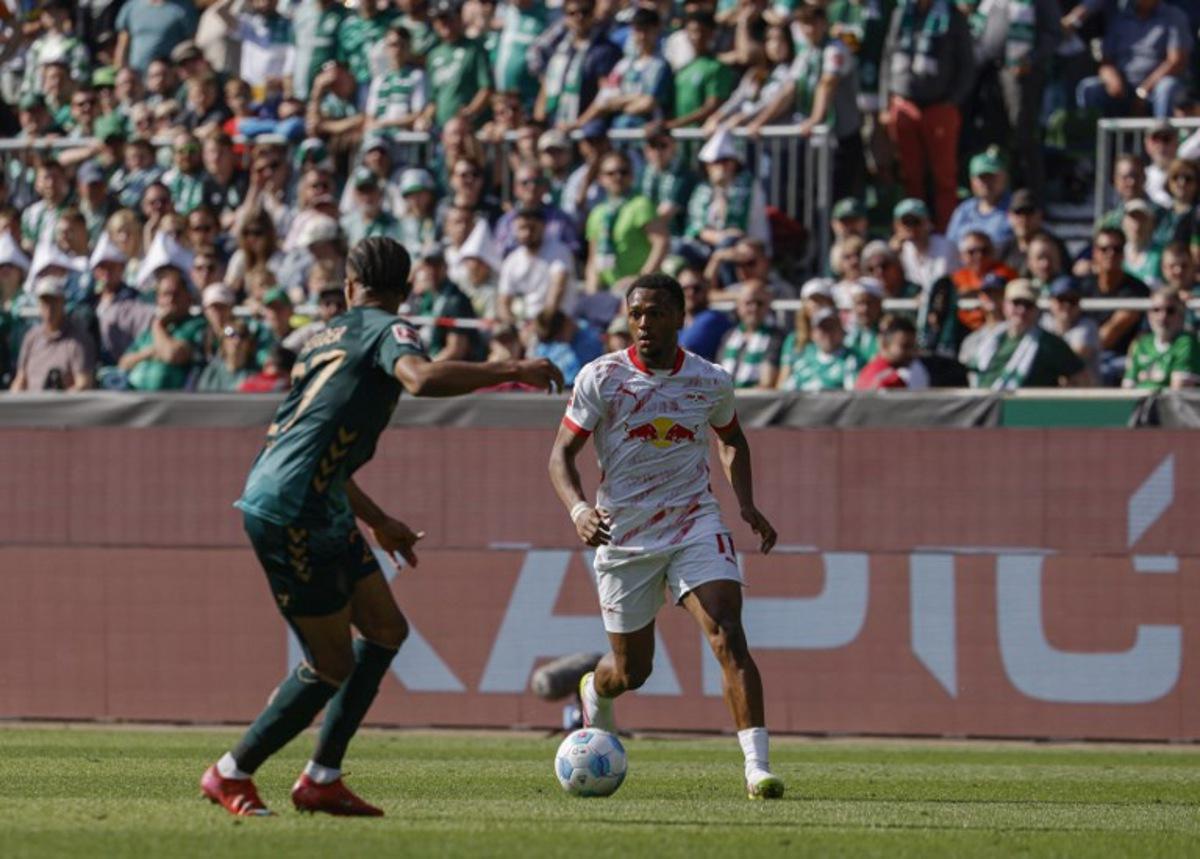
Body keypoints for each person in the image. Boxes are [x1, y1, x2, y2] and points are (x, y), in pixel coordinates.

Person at [201, 237, 562, 817]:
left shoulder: (321, 339)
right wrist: (512, 368)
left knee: (386, 629)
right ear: (407, 292)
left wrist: (381, 521)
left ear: (349, 286)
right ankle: (231, 772)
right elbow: (418, 379)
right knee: (332, 664)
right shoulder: (388, 331)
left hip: (319, 502)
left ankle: (321, 777)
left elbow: (321, 454)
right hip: (293, 512)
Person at [547, 272, 784, 801]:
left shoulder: (710, 380)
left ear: (680, 317)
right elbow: (561, 455)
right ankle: (595, 688)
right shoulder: (601, 377)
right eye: (635, 314)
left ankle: (756, 769)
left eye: (655, 313)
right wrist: (579, 509)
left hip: (694, 522)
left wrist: (744, 503)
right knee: (632, 672)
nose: (644, 324)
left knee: (726, 631)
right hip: (624, 534)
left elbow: (732, 441)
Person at [879, 0, 976, 230]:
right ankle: (913, 230)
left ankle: (947, 231)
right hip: (904, 103)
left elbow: (967, 64)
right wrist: (887, 101)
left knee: (944, 177)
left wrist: (952, 101)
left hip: (939, 106)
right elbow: (888, 55)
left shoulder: (952, 15)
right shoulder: (901, 12)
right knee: (909, 174)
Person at [1074, 0, 1191, 119]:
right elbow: (1106, 61)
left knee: (1167, 87)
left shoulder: (1174, 16)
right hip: (1123, 89)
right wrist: (1111, 77)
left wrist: (1143, 90)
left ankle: (1161, 134)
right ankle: (1091, 136)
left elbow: (1176, 61)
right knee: (1089, 88)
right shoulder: (1119, 18)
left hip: (1155, 89)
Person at [970, 278, 1088, 388]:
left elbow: (1082, 379)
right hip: (984, 405)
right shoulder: (989, 339)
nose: (1022, 310)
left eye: (1028, 305)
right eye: (1016, 303)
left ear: (1036, 309)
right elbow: (973, 373)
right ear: (1005, 305)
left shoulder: (1049, 343)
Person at [10, 275, 97, 392]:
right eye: (45, 302)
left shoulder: (79, 340)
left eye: (54, 301)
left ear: (63, 302)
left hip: (63, 407)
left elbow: (83, 383)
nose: (49, 308)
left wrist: (57, 402)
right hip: (29, 406)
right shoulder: (31, 337)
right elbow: (20, 379)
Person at [1123, 288, 1200, 389]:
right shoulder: (1142, 343)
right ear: (1149, 314)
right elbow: (1127, 387)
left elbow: (1178, 393)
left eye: (1170, 311)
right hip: (1141, 403)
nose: (1162, 316)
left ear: (1181, 315)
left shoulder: (1187, 343)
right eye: (1156, 310)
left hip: (1167, 404)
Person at [717, 280, 785, 389]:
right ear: (738, 306)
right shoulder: (729, 336)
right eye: (748, 303)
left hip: (752, 401)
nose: (754, 308)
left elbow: (766, 383)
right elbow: (717, 375)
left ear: (768, 306)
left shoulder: (775, 337)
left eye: (759, 303)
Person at [777, 307, 863, 391]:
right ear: (813, 334)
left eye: (832, 327)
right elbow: (786, 393)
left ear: (841, 330)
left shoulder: (851, 361)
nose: (828, 334)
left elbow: (853, 397)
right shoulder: (804, 361)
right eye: (823, 328)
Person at [1041, 275, 1100, 383]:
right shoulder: (1043, 323)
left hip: (1086, 396)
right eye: (1062, 299)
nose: (1067, 305)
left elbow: (1072, 363)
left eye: (1072, 300)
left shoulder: (1088, 326)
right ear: (1051, 301)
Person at [855, 314, 931, 389]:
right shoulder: (891, 381)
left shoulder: (866, 372)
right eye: (905, 346)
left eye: (913, 347)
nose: (911, 352)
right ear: (885, 344)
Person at [678, 262, 734, 362]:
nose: (691, 293)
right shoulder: (677, 323)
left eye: (696, 288)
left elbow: (684, 352)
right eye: (685, 289)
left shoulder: (713, 319)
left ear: (706, 289)